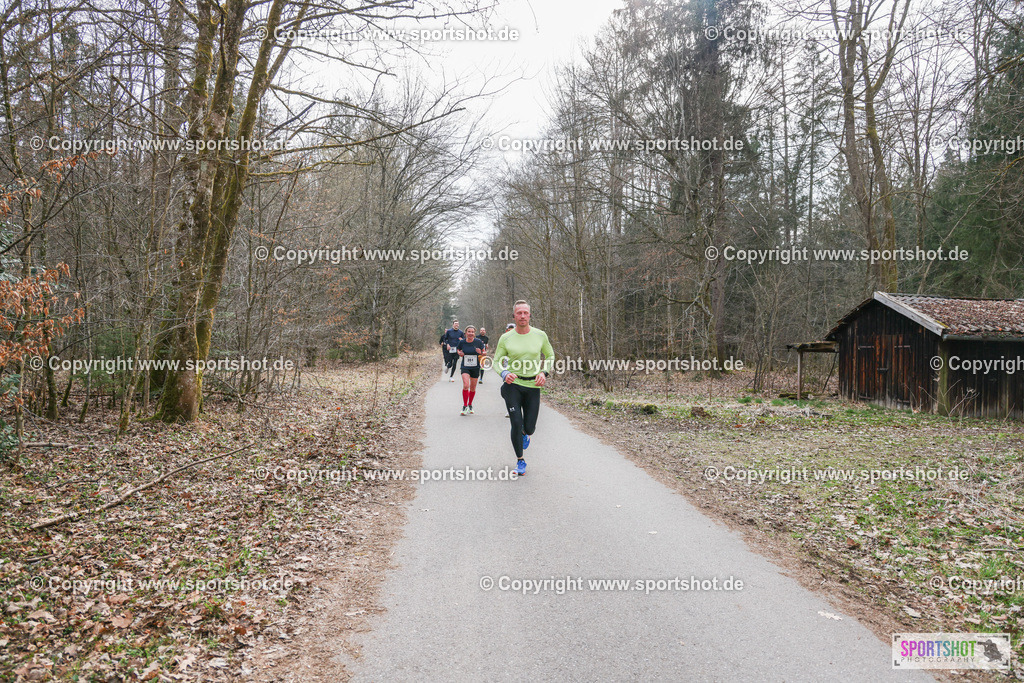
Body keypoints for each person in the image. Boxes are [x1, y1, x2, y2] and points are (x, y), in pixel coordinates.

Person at [491, 301, 554, 476]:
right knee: (516, 423)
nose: (522, 316)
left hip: (533, 385)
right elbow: (496, 361)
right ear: (514, 316)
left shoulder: (540, 335)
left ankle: (526, 433)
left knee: (530, 427)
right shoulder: (506, 338)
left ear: (530, 315)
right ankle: (520, 460)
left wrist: (544, 372)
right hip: (513, 386)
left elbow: (550, 356)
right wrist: (504, 373)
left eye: (525, 312)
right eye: (519, 313)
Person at [456, 326, 486, 415]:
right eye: (469, 331)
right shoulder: (462, 342)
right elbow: (458, 350)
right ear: (466, 333)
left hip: (475, 367)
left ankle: (470, 404)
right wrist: (459, 353)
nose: (470, 333)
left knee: (473, 388)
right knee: (466, 385)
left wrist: (480, 352)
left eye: (472, 332)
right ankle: (464, 406)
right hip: (465, 366)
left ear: (474, 333)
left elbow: (484, 352)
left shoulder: (478, 342)